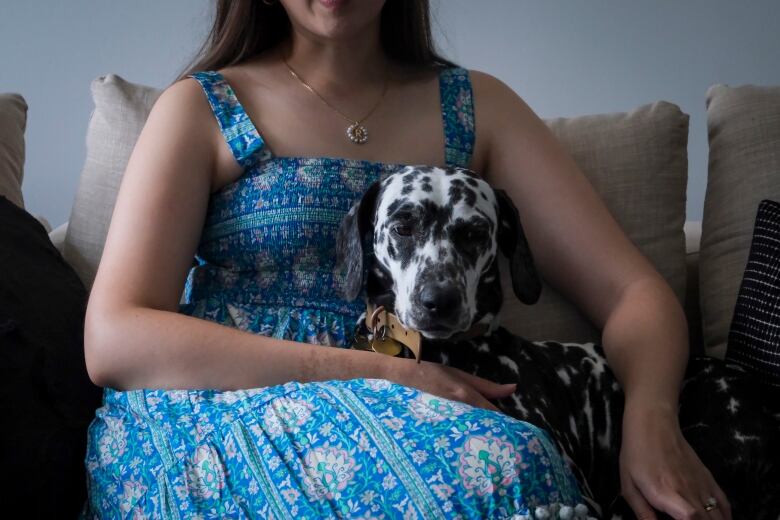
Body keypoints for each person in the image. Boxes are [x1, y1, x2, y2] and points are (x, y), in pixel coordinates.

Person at [82, 1, 730, 518]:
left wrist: (653, 422)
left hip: (415, 397)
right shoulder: (202, 107)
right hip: (211, 408)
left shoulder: (476, 107)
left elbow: (631, 294)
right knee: (494, 470)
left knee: (512, 463)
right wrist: (377, 372)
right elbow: (114, 339)